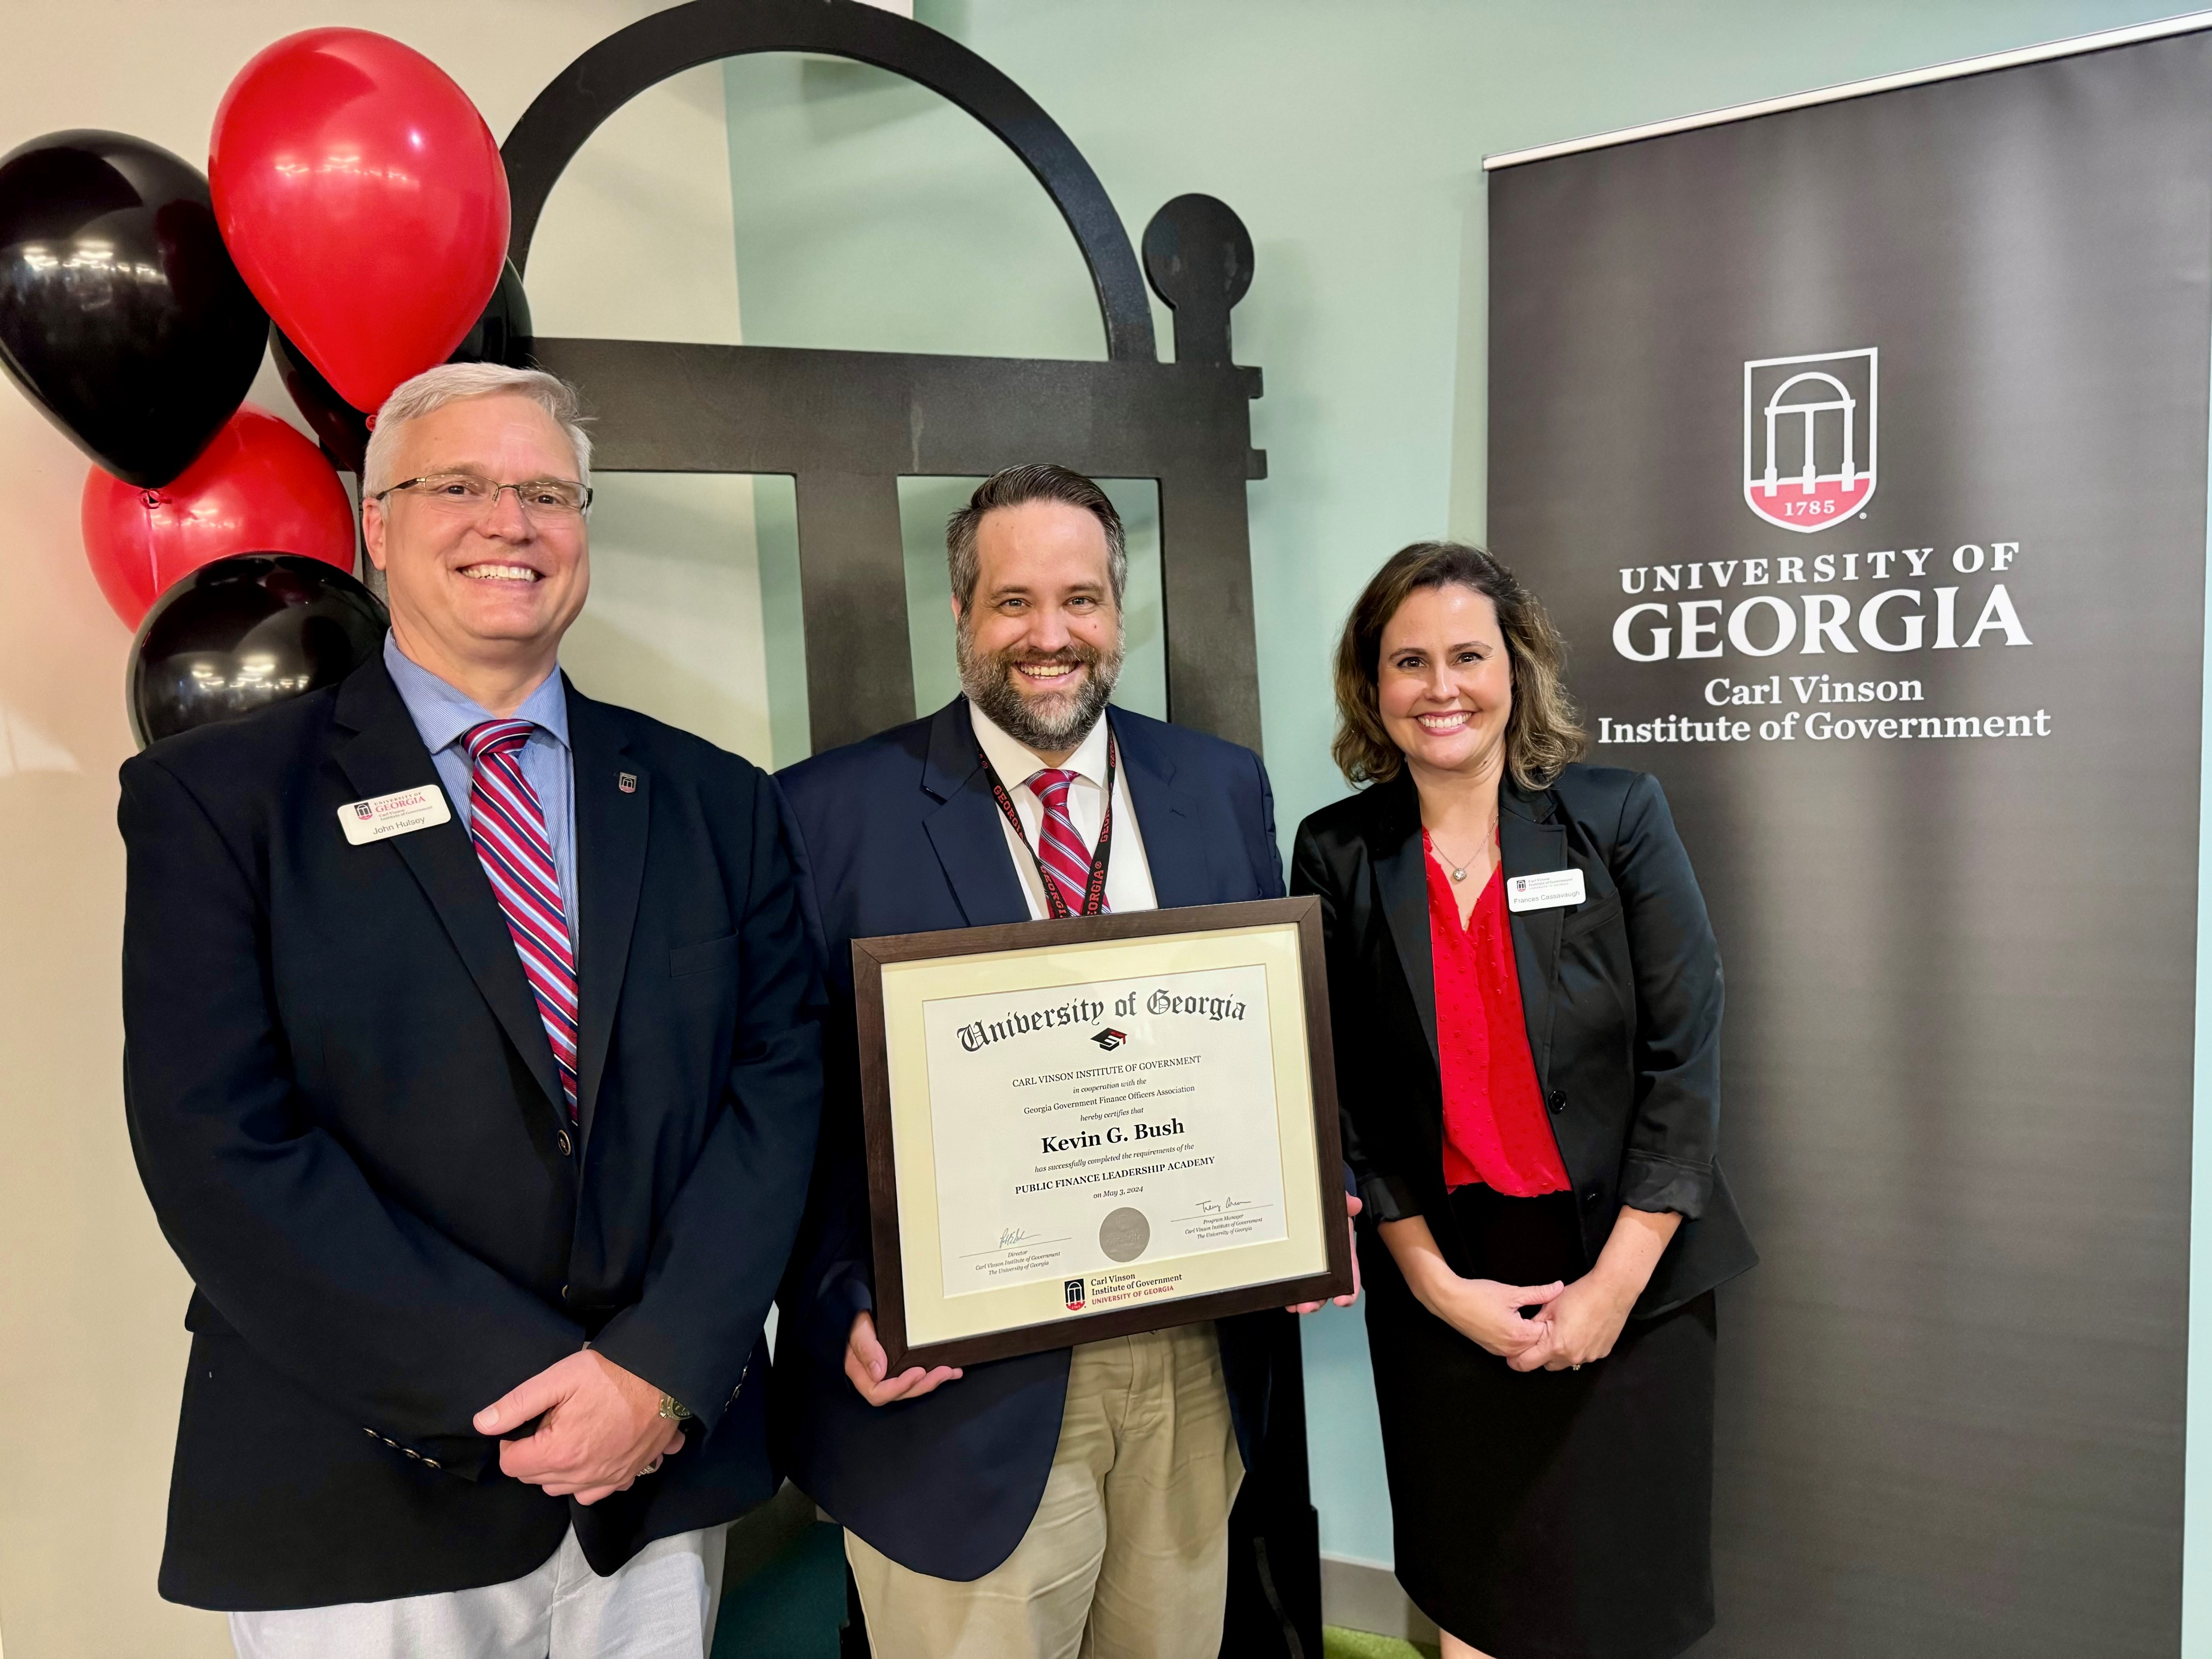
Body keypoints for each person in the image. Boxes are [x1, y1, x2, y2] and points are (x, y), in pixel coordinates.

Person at [120, 363, 824, 1658]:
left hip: (652, 1483)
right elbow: (219, 1145)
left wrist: (656, 1375)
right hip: (359, 1483)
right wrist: (529, 1388)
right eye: (460, 485)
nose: (511, 521)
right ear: (376, 524)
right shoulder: (217, 803)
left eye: (548, 491)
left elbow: (775, 1091)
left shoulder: (715, 799)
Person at [770, 464, 1353, 1658]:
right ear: (961, 613)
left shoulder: (1218, 783)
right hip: (957, 1388)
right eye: (1015, 601)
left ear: (1119, 611)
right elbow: (784, 1099)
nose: (1052, 636)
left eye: (1082, 600)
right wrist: (837, 1300)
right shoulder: (826, 811)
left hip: (1188, 1364)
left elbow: (1259, 1041)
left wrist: (1310, 1197)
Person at [1290, 542, 1757, 1659]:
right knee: (1479, 1596)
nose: (1441, 686)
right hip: (1447, 1274)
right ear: (1372, 683)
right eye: (1409, 660)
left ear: (1517, 667)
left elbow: (1686, 1053)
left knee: (1617, 1601)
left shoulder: (1617, 814)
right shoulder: (1337, 851)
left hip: (1631, 1264)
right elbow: (1340, 1091)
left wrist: (1612, 1286)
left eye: (1467, 654)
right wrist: (1435, 1284)